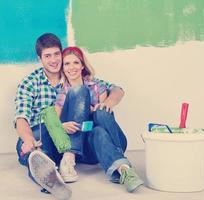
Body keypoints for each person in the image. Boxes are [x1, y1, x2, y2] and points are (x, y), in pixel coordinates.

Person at [14, 33, 125, 199]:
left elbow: (116, 89)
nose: (53, 60)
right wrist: (29, 139)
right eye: (47, 56)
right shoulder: (30, 83)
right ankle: (50, 176)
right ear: (40, 59)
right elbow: (21, 118)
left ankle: (66, 160)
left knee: (79, 92)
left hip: (76, 137)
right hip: (46, 135)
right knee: (29, 143)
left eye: (57, 54)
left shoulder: (75, 75)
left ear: (62, 53)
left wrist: (107, 103)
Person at [54, 46, 144, 192]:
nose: (72, 67)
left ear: (82, 65)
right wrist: (63, 125)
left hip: (111, 141)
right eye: (67, 64)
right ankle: (123, 167)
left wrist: (103, 105)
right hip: (85, 148)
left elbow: (110, 103)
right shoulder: (62, 93)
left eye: (76, 63)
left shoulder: (96, 86)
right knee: (97, 130)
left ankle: (124, 169)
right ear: (63, 68)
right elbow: (55, 124)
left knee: (100, 117)